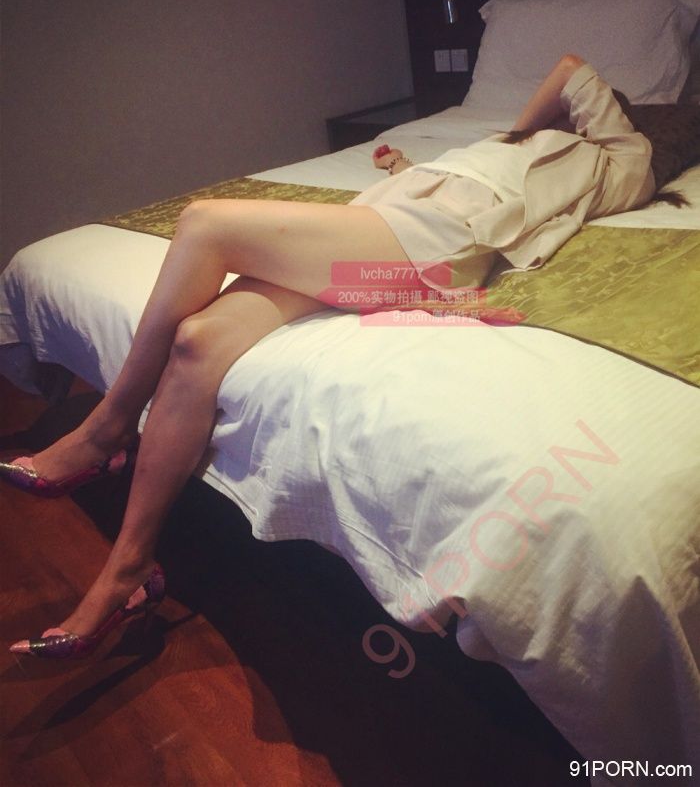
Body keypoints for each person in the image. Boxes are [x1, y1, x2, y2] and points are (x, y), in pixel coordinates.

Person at [1, 54, 655, 658]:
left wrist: (544, 128)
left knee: (205, 224)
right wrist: (493, 142)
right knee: (199, 341)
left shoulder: (623, 157)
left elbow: (571, 69)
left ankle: (108, 429)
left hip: (429, 247)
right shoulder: (507, 145)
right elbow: (479, 163)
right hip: (374, 239)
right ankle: (130, 568)